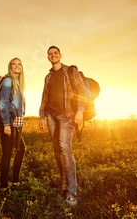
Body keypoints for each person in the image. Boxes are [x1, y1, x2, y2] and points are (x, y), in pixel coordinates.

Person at [38, 46, 86, 206]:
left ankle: (71, 191)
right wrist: (42, 116)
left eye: (55, 53)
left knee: (65, 149)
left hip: (66, 115)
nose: (53, 55)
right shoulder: (48, 77)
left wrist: (80, 111)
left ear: (60, 55)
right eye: (50, 54)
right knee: (57, 150)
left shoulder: (71, 71)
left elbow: (81, 91)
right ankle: (63, 181)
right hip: (51, 115)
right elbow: (44, 97)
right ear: (48, 58)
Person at [0, 57, 26, 192]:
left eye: (19, 64)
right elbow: (3, 103)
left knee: (20, 149)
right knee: (8, 152)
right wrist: (6, 124)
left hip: (15, 120)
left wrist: (19, 120)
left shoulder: (18, 82)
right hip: (7, 120)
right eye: (13, 64)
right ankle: (4, 186)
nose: (16, 66)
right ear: (10, 67)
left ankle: (15, 181)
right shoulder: (8, 80)